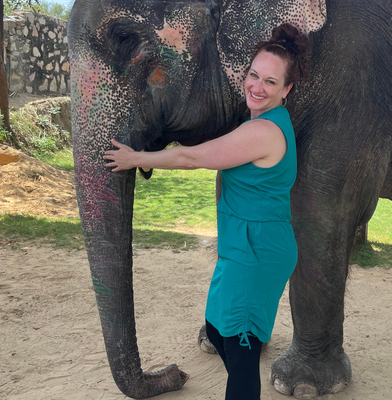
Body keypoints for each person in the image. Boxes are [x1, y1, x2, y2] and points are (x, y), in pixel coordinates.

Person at [104, 23, 309, 400]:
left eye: (270, 81)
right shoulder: (261, 123)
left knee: (241, 350)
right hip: (243, 247)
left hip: (257, 252)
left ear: (286, 89)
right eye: (253, 75)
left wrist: (136, 158)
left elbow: (190, 157)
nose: (257, 87)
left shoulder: (263, 132)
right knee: (217, 330)